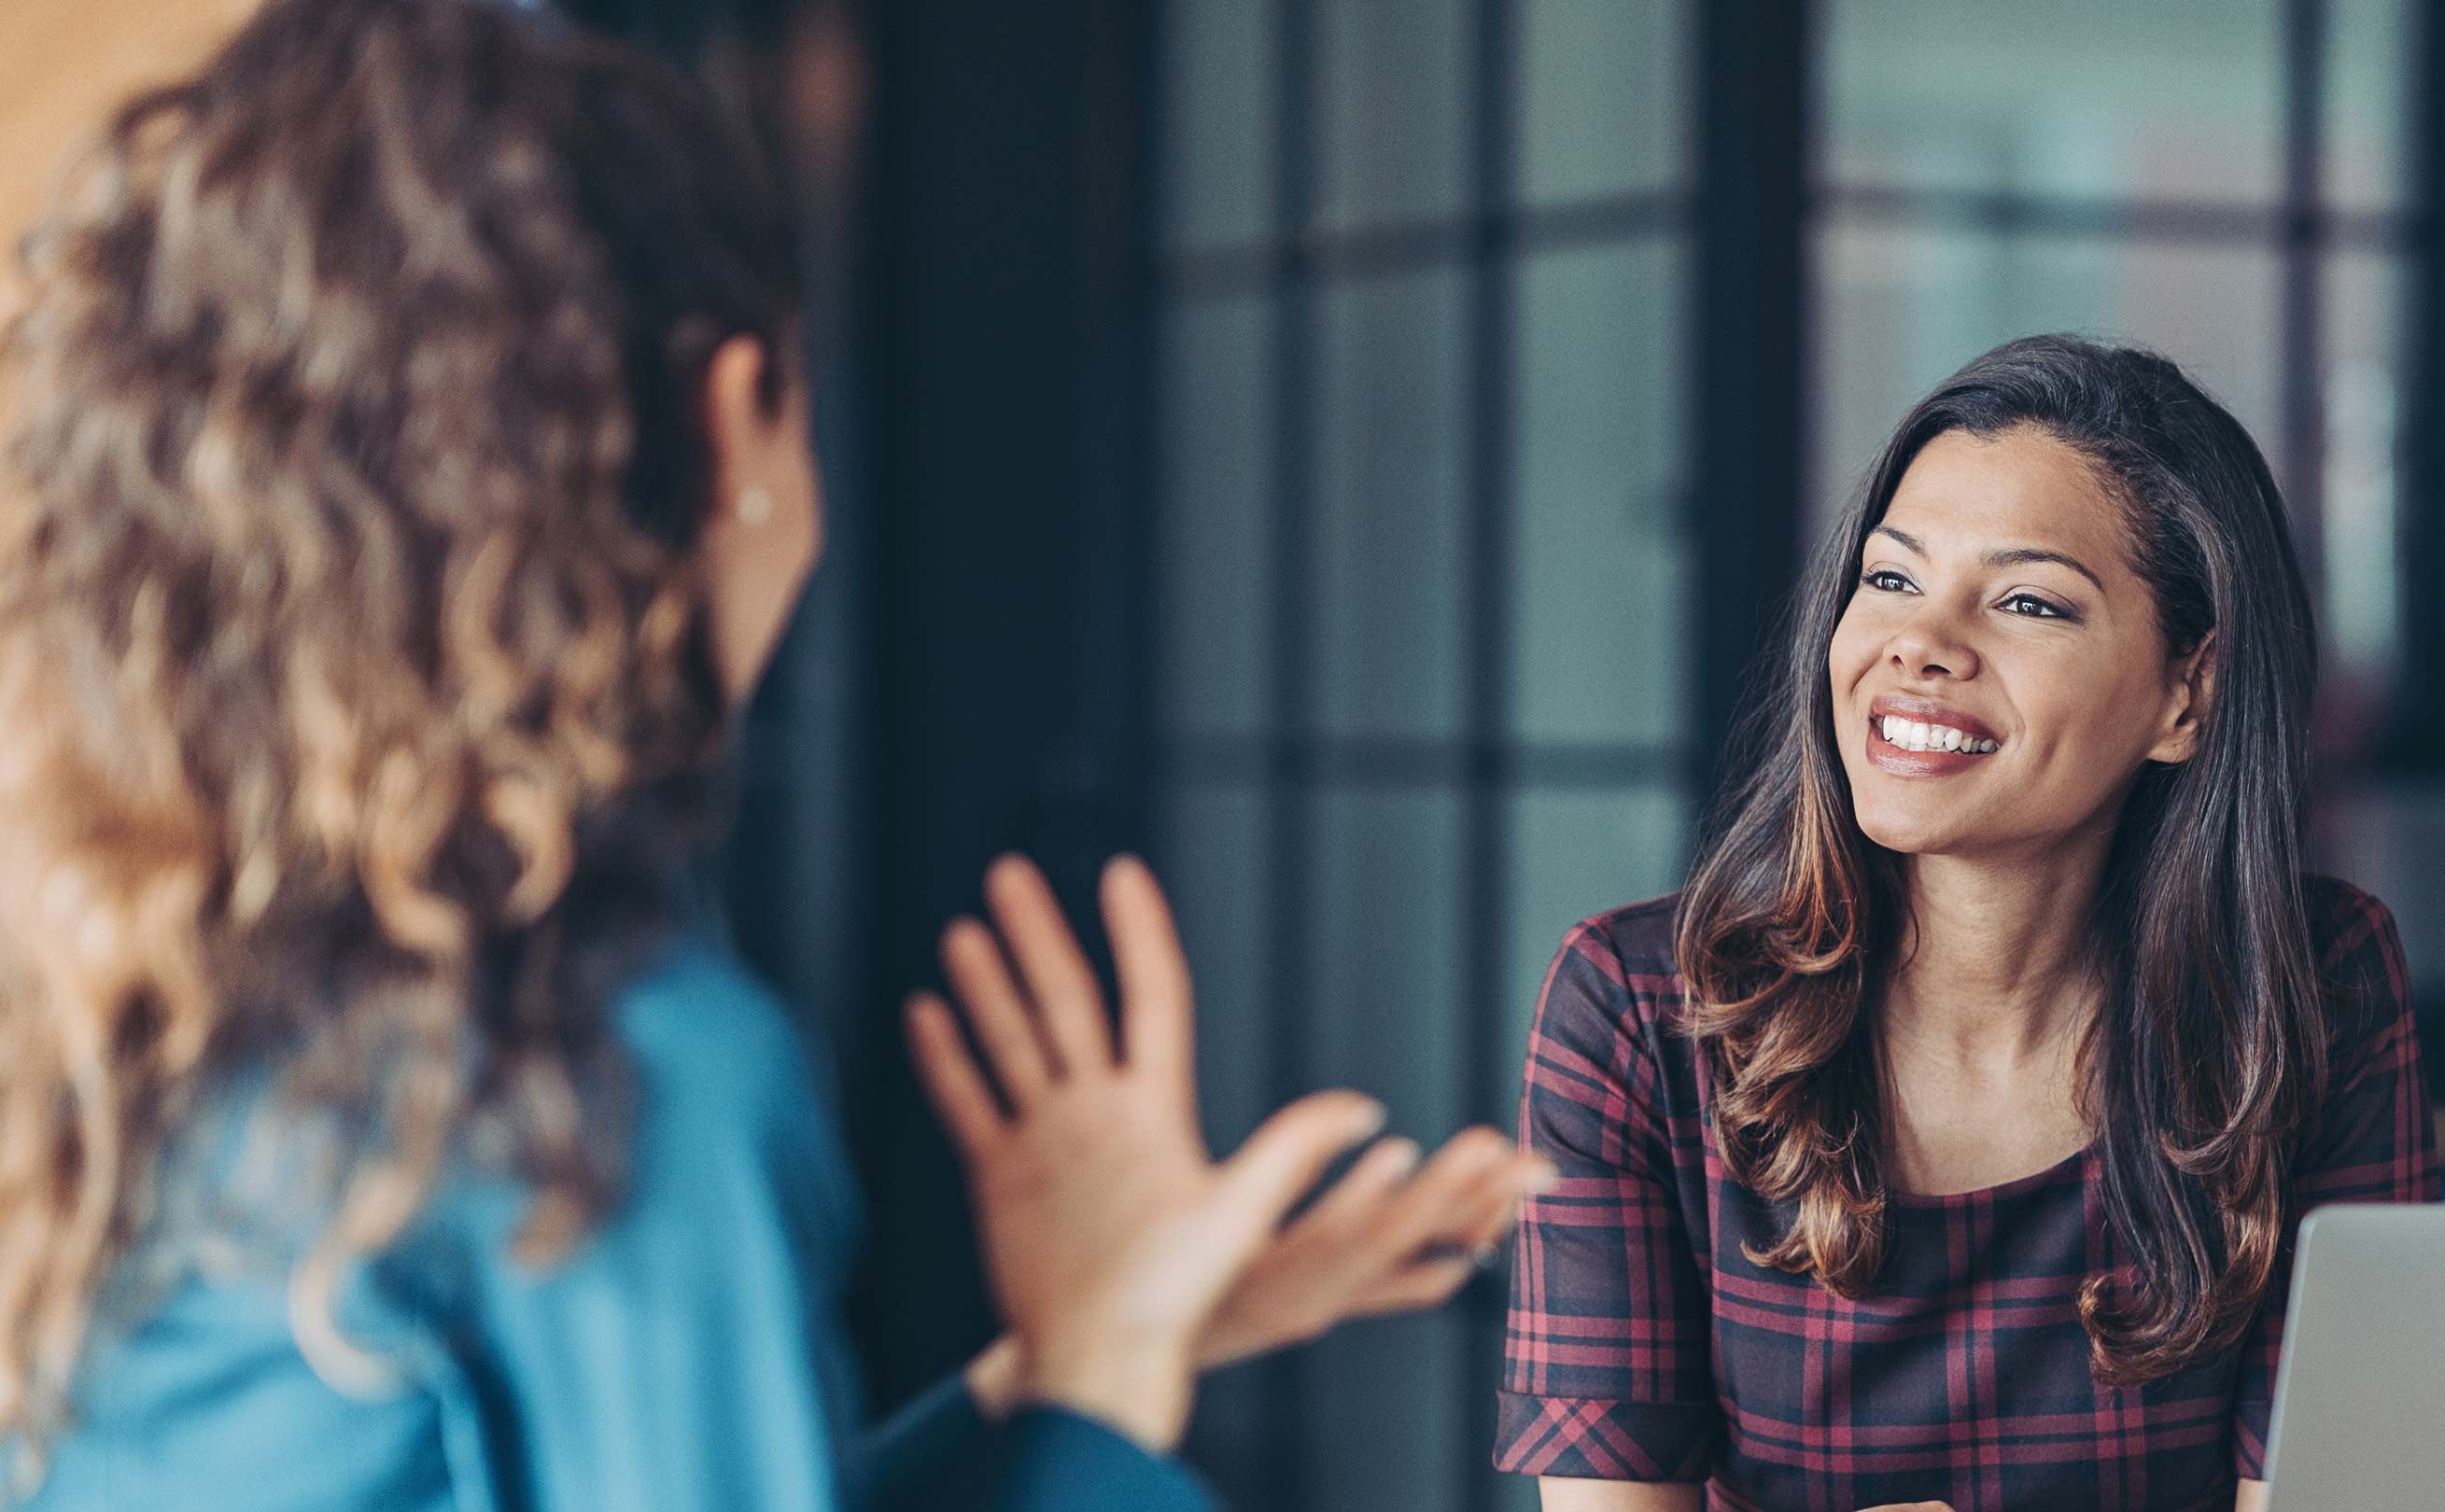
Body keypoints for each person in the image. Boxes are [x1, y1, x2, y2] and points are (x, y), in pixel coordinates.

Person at [0, 1, 1550, 1508]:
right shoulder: (595, 1081)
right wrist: (1099, 1394)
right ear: (736, 408)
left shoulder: (131, 997)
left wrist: (1070, 1370)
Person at [1497, 336, 2438, 1512]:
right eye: (1891, 579)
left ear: (2185, 696)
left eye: (2028, 601)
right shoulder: (1640, 1008)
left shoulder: (2313, 988)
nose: (1920, 645)